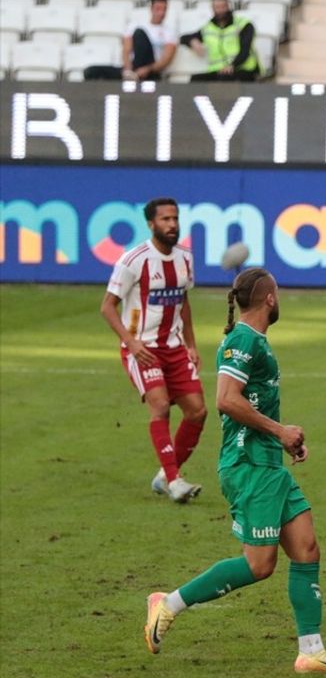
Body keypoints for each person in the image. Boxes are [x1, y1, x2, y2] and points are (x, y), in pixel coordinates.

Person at [143, 268, 326, 675]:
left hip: (267, 464)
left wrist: (281, 438)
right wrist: (279, 430)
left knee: (307, 547)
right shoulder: (243, 339)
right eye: (279, 293)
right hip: (248, 466)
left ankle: (311, 651)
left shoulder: (255, 340)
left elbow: (248, 401)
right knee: (259, 565)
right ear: (270, 299)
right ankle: (167, 603)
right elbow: (226, 399)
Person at [100, 197, 205, 503]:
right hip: (143, 349)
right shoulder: (134, 260)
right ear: (151, 224)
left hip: (174, 348)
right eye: (165, 220)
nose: (172, 225)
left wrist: (191, 344)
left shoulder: (185, 259)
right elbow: (107, 307)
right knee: (159, 405)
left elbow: (183, 303)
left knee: (197, 411)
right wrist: (131, 343)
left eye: (175, 219)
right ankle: (174, 481)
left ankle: (165, 475)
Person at [84, 0, 177, 81]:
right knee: (91, 71)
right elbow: (126, 50)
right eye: (158, 9)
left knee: (139, 34)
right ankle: (131, 76)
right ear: (151, 9)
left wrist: (147, 69)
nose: (161, 13)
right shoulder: (135, 25)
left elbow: (166, 58)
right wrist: (128, 68)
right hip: (131, 67)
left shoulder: (169, 32)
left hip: (151, 71)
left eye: (164, 9)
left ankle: (134, 75)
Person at [180, 0, 260, 82]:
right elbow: (183, 38)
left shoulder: (243, 24)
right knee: (196, 79)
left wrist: (232, 65)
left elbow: (245, 51)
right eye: (217, 7)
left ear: (229, 6)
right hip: (218, 70)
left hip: (242, 69)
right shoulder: (208, 28)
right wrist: (192, 41)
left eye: (223, 7)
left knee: (225, 78)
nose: (221, 10)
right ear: (212, 9)